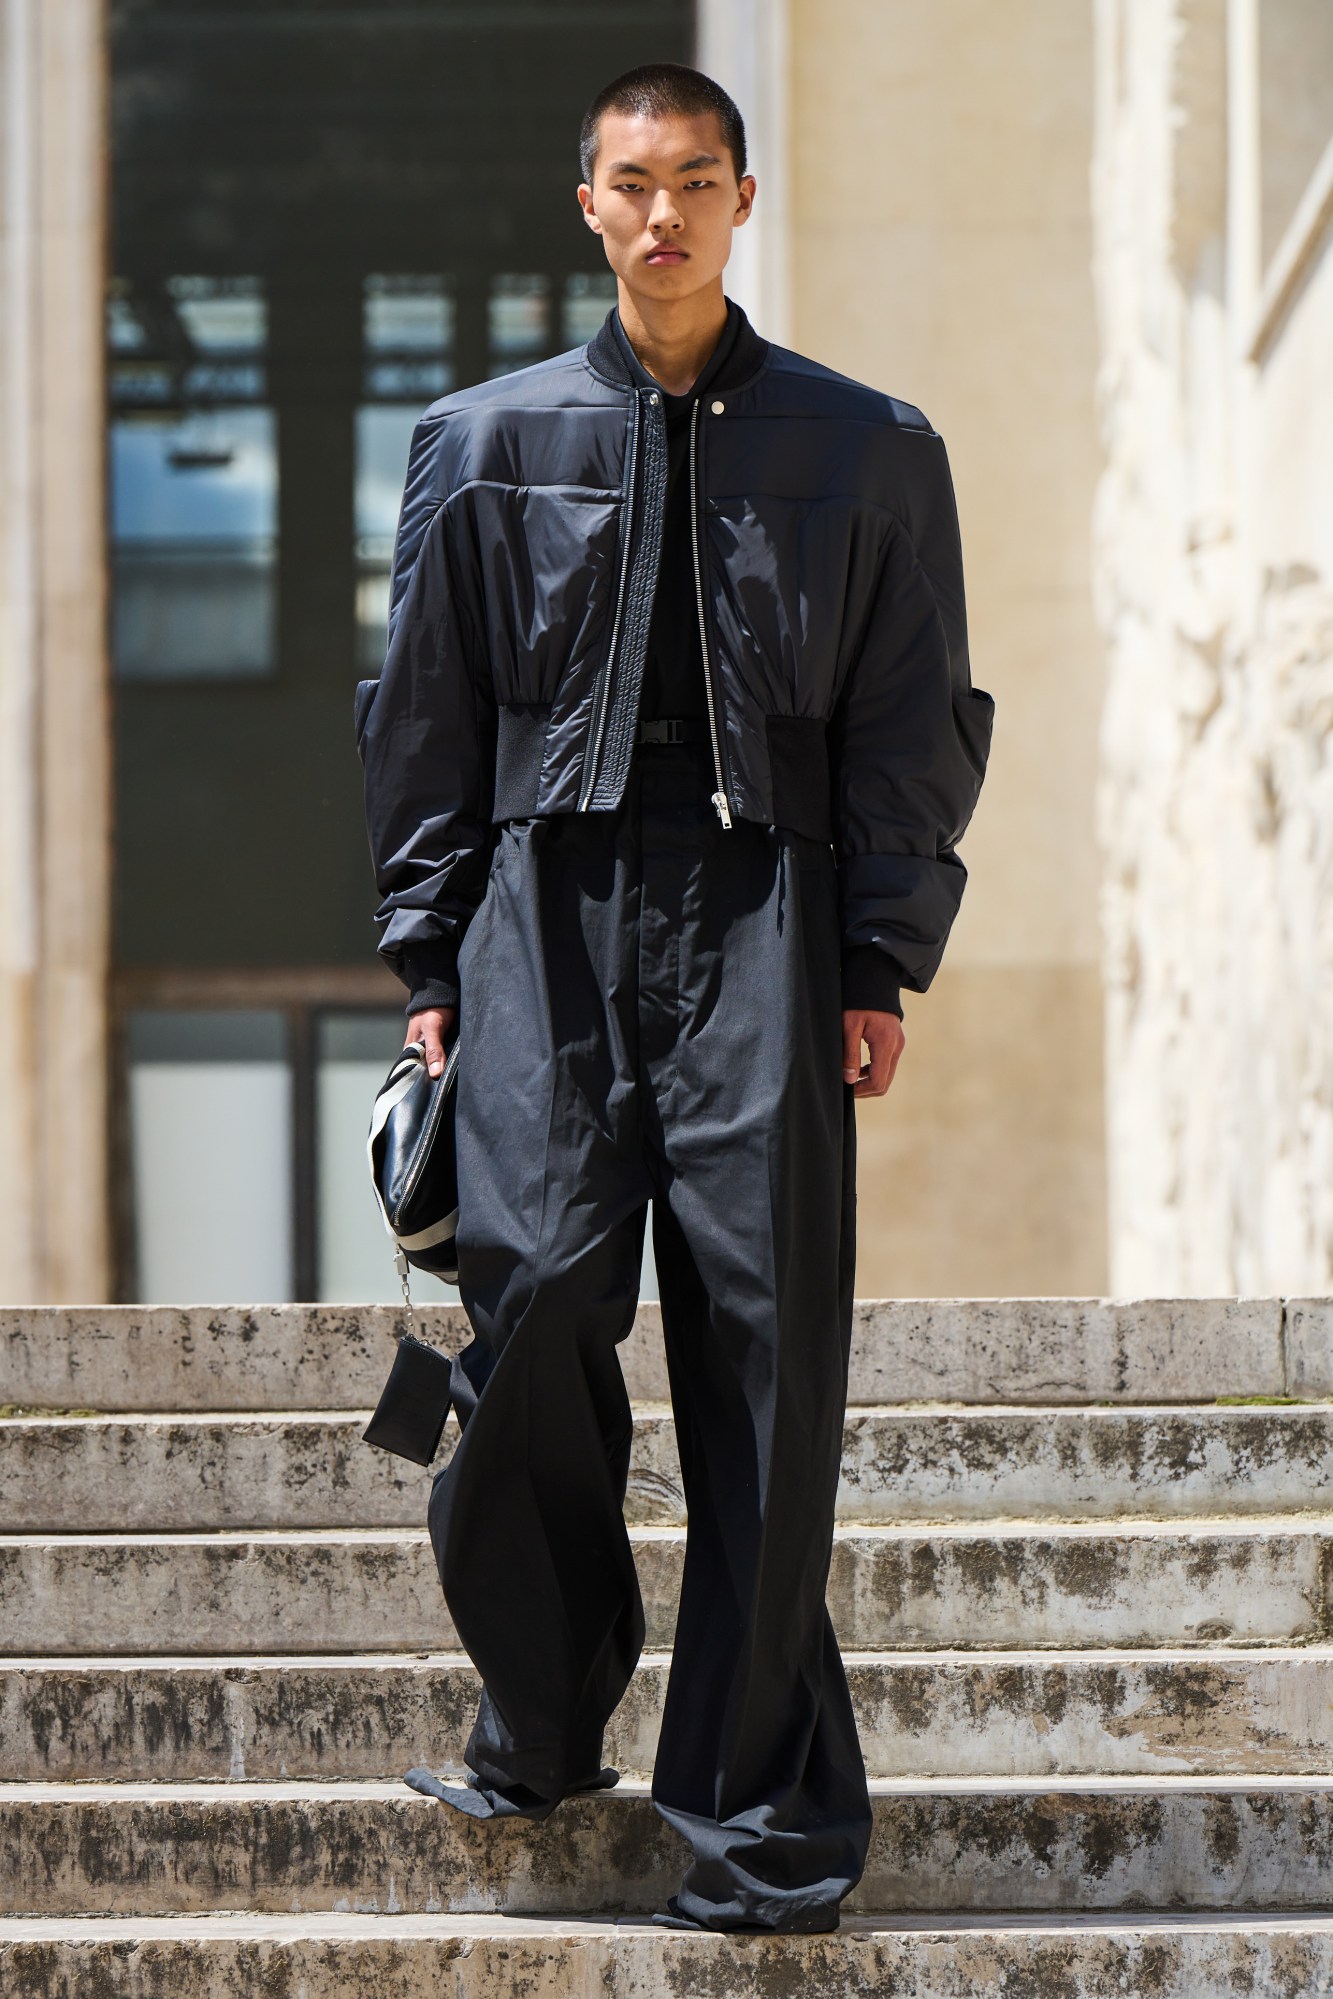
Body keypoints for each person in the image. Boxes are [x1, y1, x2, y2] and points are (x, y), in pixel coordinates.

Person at [358, 61, 993, 1934]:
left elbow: (914, 715)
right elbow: (424, 718)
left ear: (741, 200)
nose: (663, 216)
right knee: (538, 1291)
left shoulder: (870, 447)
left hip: (771, 920)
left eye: (695, 183)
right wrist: (429, 957)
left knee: (764, 1354)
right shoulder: (480, 443)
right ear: (588, 204)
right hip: (540, 918)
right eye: (632, 184)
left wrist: (880, 950)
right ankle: (544, 1712)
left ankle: (755, 1816)